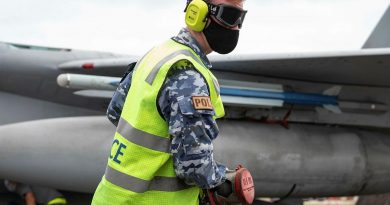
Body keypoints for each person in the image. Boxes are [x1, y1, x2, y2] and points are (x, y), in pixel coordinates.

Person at [92, 0, 247, 204]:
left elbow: (115, 111)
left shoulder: (156, 55)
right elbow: (193, 167)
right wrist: (224, 181)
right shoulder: (189, 74)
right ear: (197, 13)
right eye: (229, 16)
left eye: (241, 18)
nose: (236, 26)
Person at [2, 180, 67, 205]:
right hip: (57, 200)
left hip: (54, 201)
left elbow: (30, 199)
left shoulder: (21, 186)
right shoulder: (26, 179)